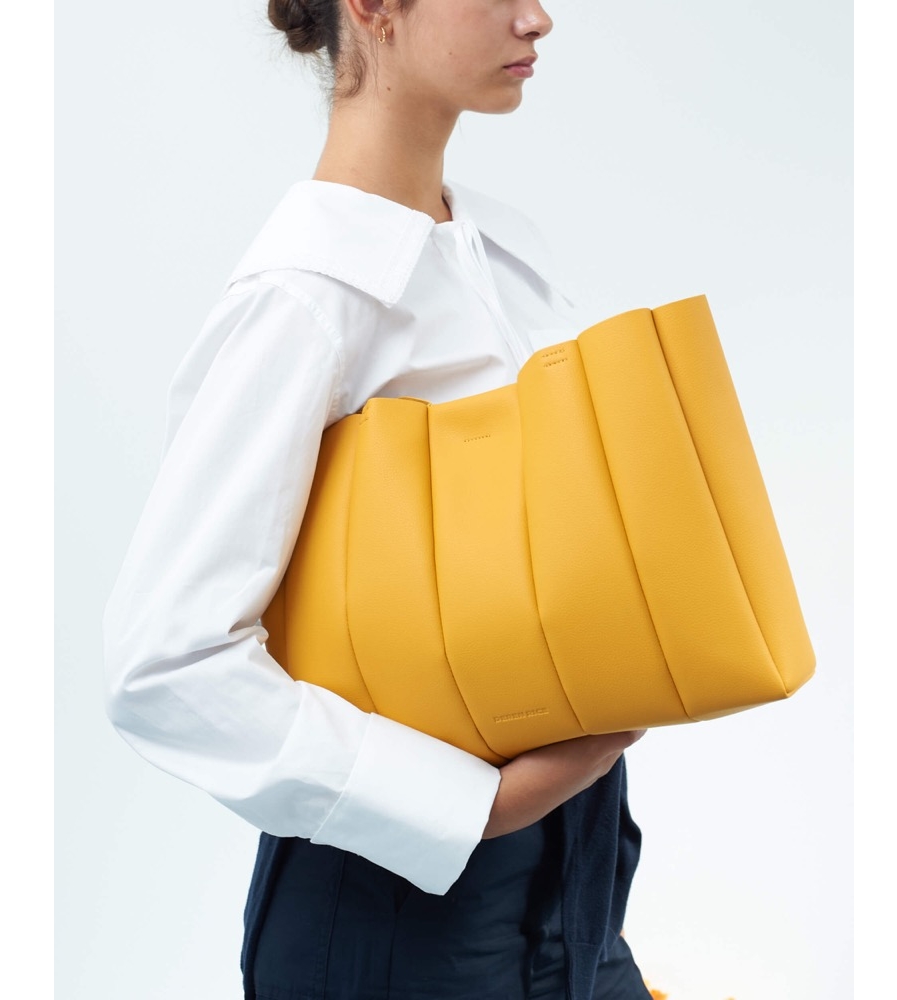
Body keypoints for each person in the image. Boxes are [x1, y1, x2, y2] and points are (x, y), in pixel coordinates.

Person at [103, 1, 652, 997]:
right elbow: (166, 663)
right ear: (370, 7)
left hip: (576, 899)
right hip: (395, 928)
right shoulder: (307, 298)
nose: (537, 17)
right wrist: (467, 808)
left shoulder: (498, 258)